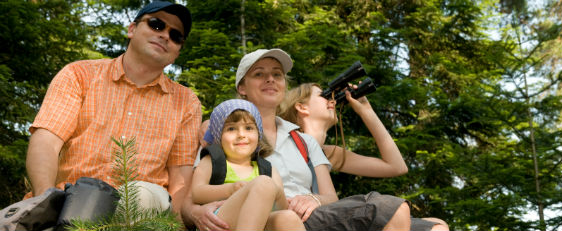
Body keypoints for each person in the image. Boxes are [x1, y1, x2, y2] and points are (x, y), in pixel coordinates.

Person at [190, 49, 412, 230]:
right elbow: (190, 199)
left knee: (435, 226)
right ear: (241, 87)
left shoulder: (305, 141)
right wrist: (197, 212)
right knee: (385, 208)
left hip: (310, 216)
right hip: (270, 218)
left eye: (277, 74)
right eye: (259, 74)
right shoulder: (226, 135)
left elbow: (332, 196)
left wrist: (313, 199)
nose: (270, 79)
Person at [25, 0, 198, 219]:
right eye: (156, 24)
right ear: (132, 29)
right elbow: (46, 141)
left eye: (176, 36)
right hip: (69, 205)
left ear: (178, 51)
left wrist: (172, 226)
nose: (165, 35)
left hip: (141, 217)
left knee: (141, 195)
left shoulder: (187, 102)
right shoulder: (79, 75)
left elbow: (180, 177)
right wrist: (45, 200)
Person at [279, 83, 450, 231]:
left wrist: (366, 111)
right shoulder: (284, 143)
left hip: (329, 214)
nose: (332, 100)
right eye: (324, 96)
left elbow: (397, 167)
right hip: (304, 218)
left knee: (437, 226)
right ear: (302, 107)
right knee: (388, 208)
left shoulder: (329, 153)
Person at [190, 99, 304, 230]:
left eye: (249, 128)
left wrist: (276, 193)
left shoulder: (268, 169)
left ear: (259, 133)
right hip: (219, 220)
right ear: (218, 135)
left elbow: (281, 208)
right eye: (231, 129)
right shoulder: (213, 161)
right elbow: (197, 193)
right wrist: (230, 189)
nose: (241, 135)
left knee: (288, 217)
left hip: (258, 222)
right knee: (264, 183)